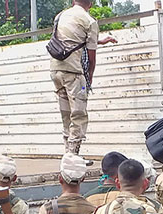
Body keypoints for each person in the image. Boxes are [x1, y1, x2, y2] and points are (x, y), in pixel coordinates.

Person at [49, 0, 118, 154]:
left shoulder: (61, 16)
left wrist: (100, 41)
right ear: (91, 3)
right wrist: (89, 78)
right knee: (78, 115)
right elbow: (92, 58)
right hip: (73, 74)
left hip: (56, 71)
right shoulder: (89, 21)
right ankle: (73, 157)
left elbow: (71, 40)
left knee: (66, 114)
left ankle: (67, 154)